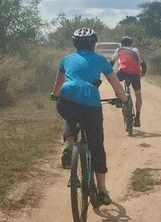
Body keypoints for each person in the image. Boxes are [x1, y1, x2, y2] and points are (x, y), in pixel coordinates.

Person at [50, 27, 128, 206]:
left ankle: (70, 146)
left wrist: (55, 95)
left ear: (75, 45)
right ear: (94, 44)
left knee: (71, 117)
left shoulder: (66, 59)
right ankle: (102, 190)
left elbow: (58, 83)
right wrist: (123, 100)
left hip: (66, 99)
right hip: (90, 103)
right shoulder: (100, 60)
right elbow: (116, 84)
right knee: (97, 146)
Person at [111, 36, 147, 127]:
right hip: (135, 74)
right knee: (138, 94)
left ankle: (119, 96)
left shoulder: (119, 50)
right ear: (131, 44)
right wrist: (142, 73)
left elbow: (111, 62)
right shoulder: (135, 50)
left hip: (123, 71)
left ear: (122, 43)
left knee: (115, 82)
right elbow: (143, 64)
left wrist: (109, 73)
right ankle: (138, 117)